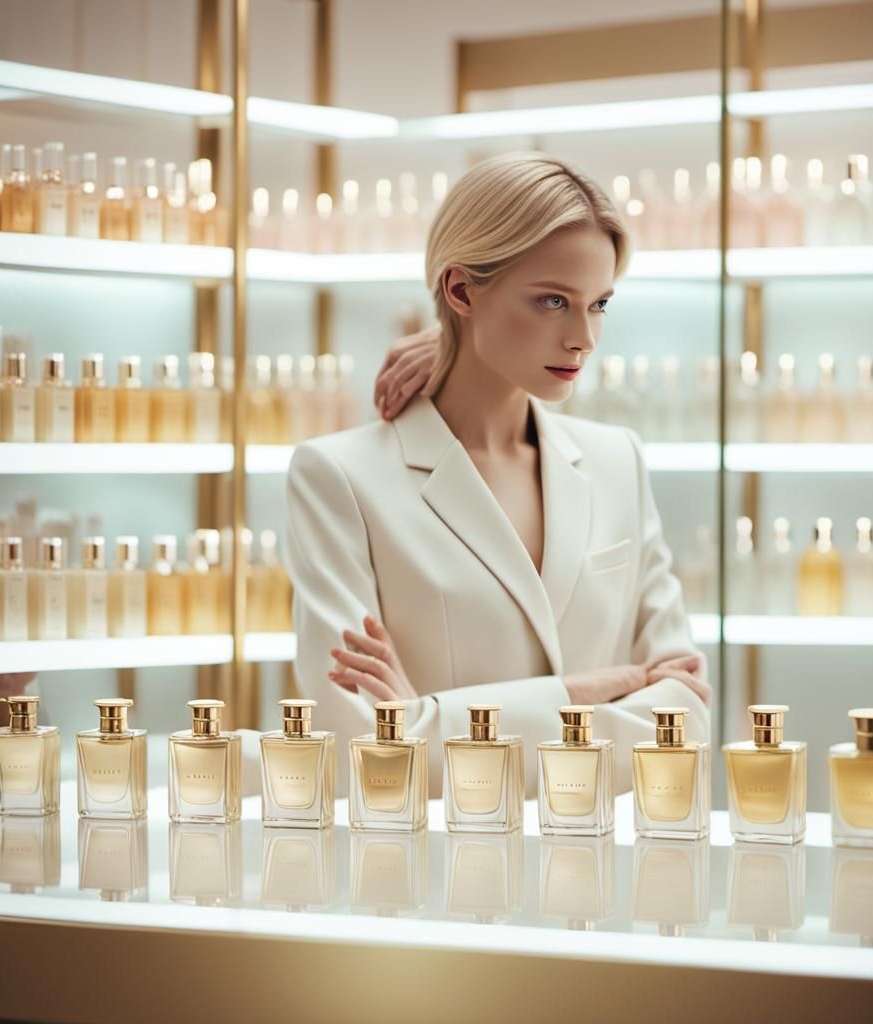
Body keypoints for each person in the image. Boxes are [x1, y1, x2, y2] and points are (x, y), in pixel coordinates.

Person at [286, 151, 710, 799]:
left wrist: (432, 724)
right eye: (551, 302)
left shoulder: (616, 461)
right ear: (460, 291)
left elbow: (685, 722)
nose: (584, 339)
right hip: (434, 879)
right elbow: (366, 749)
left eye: (598, 304)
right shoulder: (340, 477)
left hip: (605, 878)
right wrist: (579, 696)